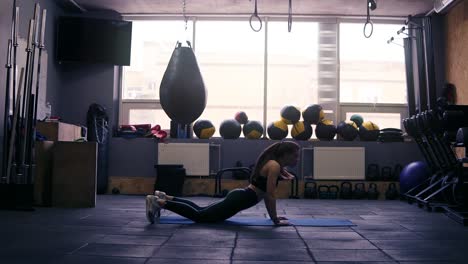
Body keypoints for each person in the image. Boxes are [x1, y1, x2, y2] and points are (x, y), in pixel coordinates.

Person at [146, 141, 300, 226]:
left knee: (201, 210)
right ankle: (159, 202)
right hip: (240, 199)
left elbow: (268, 194)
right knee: (200, 216)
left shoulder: (274, 164)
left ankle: (165, 197)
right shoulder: (274, 166)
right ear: (285, 154)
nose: (297, 159)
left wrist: (274, 217)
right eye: (295, 156)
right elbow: (270, 194)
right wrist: (274, 219)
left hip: (240, 197)